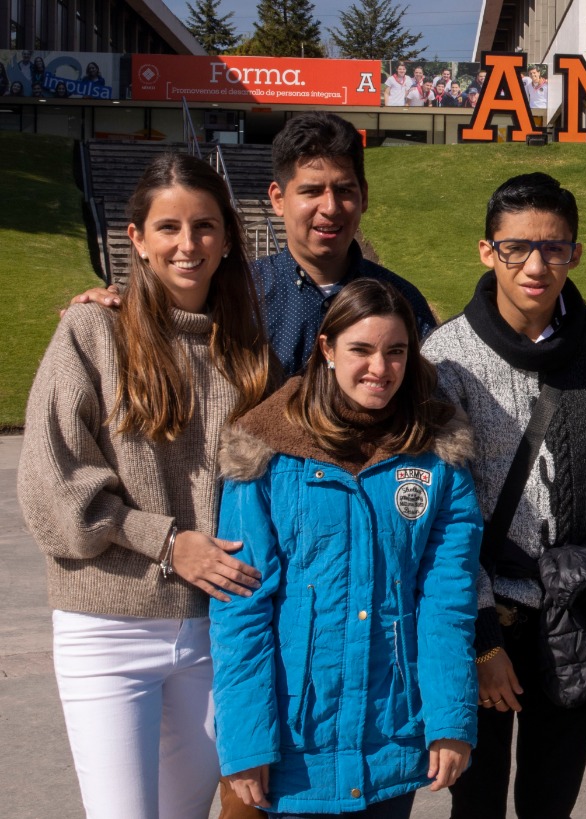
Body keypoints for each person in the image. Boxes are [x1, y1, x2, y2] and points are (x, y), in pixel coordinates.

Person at [18, 152, 273, 818]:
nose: (187, 245)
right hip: (108, 623)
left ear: (226, 238)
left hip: (216, 626)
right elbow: (54, 488)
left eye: (205, 227)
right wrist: (167, 542)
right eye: (168, 227)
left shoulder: (249, 351)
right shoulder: (90, 329)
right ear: (136, 238)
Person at [211, 279, 484, 817]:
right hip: (293, 741)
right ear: (326, 349)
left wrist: (451, 720)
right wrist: (246, 741)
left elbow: (446, 600)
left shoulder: (436, 455)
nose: (379, 369)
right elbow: (241, 604)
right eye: (361, 349)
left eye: (395, 352)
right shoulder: (265, 451)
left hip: (392, 730)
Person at [422, 172, 586, 819]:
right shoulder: (448, 358)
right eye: (517, 247)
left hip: (572, 612)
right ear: (488, 251)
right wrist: (484, 639)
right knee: (479, 805)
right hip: (487, 616)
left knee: (551, 801)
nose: (536, 264)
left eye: (554, 246)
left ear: (575, 252)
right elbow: (445, 521)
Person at [69, 113, 435, 378]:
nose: (330, 207)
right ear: (277, 198)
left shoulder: (402, 302)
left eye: (344, 190)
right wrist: (109, 304)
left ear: (364, 196)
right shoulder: (232, 292)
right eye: (311, 190)